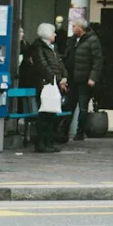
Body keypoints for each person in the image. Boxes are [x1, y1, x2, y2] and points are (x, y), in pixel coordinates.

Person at [25, 23, 68, 153]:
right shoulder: (39, 48)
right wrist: (56, 79)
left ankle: (49, 142)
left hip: (53, 84)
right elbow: (43, 66)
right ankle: (41, 143)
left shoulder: (52, 48)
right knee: (44, 114)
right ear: (47, 34)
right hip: (44, 85)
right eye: (53, 32)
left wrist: (64, 76)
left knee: (51, 115)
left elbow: (59, 64)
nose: (55, 34)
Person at [64, 16, 102, 143]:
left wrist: (92, 77)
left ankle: (80, 132)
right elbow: (67, 56)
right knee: (69, 105)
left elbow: (97, 60)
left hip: (84, 79)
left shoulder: (92, 40)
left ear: (80, 28)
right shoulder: (72, 40)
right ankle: (63, 132)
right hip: (72, 78)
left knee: (83, 106)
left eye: (74, 26)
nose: (72, 28)